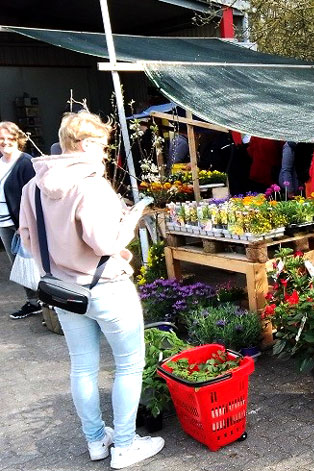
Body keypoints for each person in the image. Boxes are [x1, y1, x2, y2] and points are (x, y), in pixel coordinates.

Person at [17, 111, 165, 468]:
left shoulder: (33, 185)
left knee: (82, 366)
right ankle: (125, 445)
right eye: (101, 144)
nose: (104, 152)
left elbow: (26, 238)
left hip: (63, 290)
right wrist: (130, 220)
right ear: (84, 144)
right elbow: (103, 242)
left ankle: (97, 440)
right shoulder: (91, 185)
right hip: (106, 286)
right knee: (129, 365)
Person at [0, 122, 39, 319]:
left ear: (18, 139)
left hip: (20, 223)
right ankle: (33, 302)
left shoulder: (26, 163)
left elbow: (32, 196)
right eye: (1, 139)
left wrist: (24, 224)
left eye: (10, 138)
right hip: (3, 223)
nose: (5, 142)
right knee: (18, 264)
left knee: (33, 262)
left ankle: (48, 302)